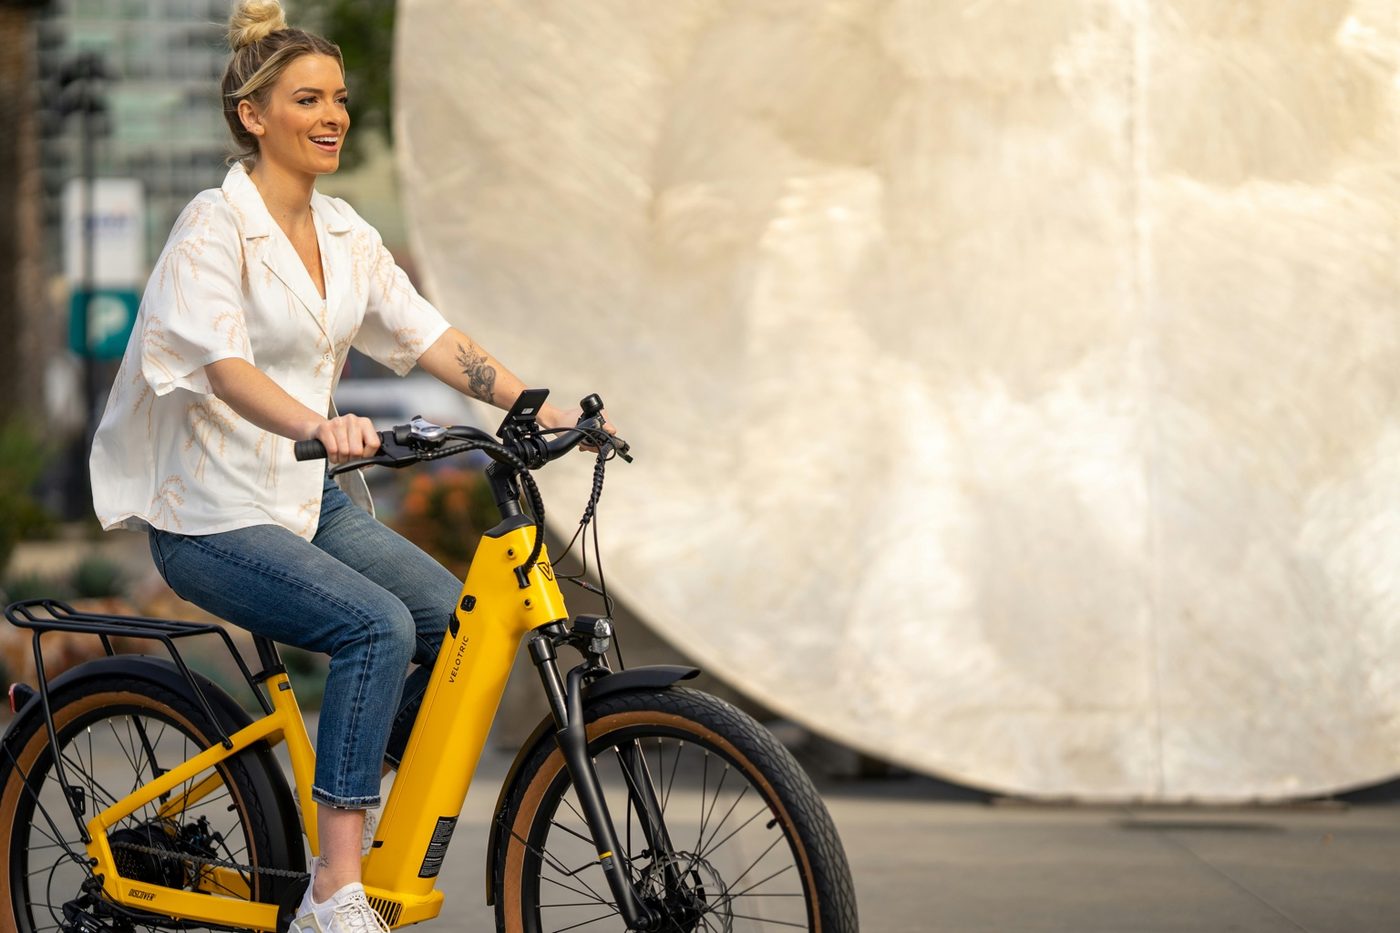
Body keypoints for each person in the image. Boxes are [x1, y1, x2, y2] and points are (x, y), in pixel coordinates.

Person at [89, 2, 607, 930]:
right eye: (307, 99)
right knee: (373, 625)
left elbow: (432, 338)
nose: (333, 116)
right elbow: (223, 366)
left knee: (456, 624)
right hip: (209, 513)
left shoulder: (344, 234)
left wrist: (538, 407)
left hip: (302, 500)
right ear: (254, 116)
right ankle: (334, 887)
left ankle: (353, 785)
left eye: (339, 99)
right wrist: (320, 423)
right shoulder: (214, 228)